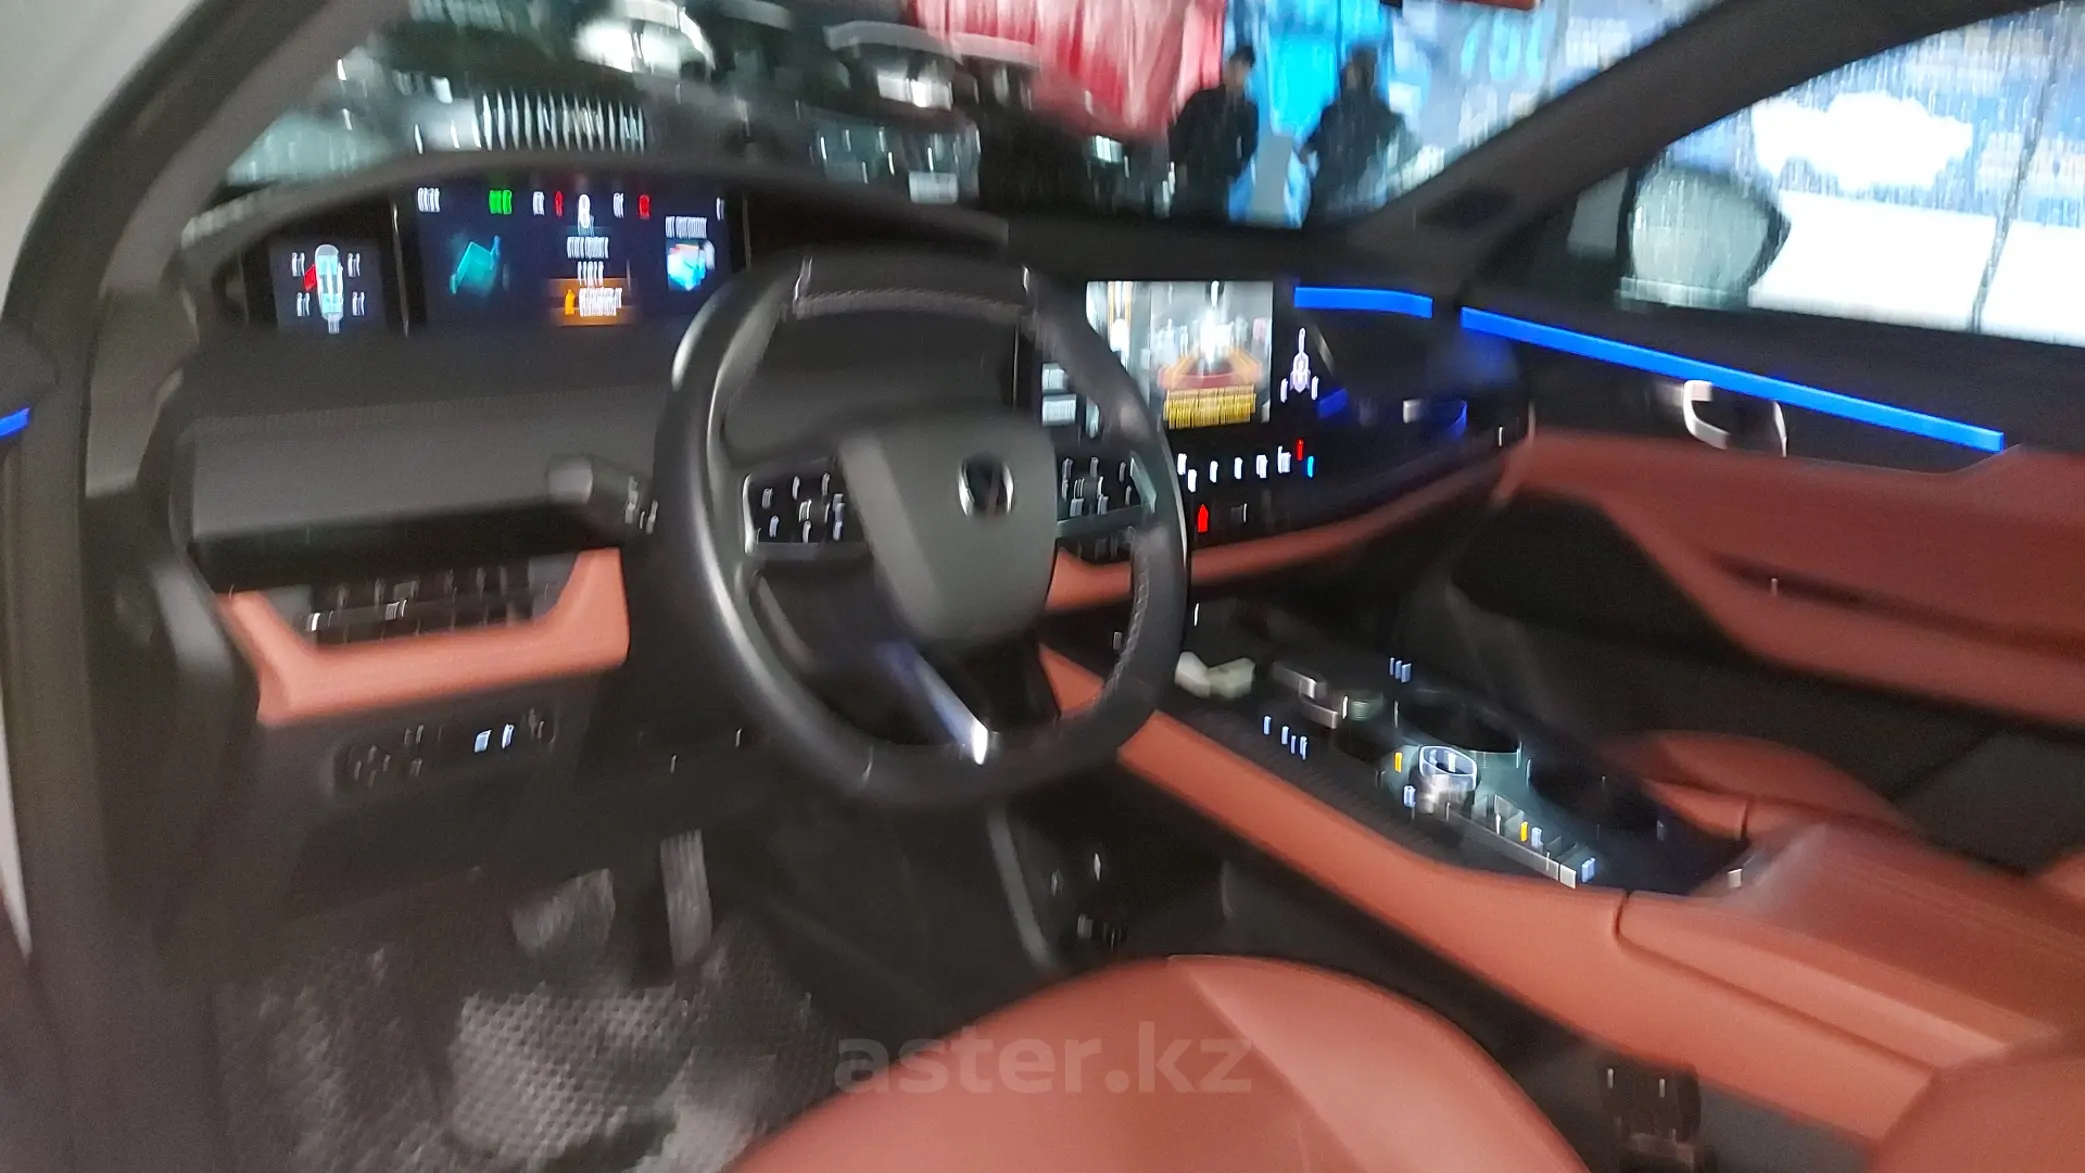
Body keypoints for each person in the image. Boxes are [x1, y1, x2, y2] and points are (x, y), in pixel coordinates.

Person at [1298, 47, 1413, 225]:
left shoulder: (1338, 112)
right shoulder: (1383, 116)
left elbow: (1305, 150)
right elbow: (1407, 151)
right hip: (1360, 207)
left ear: (1361, 72)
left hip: (1335, 206)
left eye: (1350, 66)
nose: (1344, 70)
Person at [1168, 45, 1259, 222]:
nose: (1236, 71)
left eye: (1242, 68)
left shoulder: (1248, 109)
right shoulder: (1201, 99)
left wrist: (1234, 170)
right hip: (1193, 172)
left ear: (1248, 73)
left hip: (1219, 179)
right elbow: (1179, 131)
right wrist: (1180, 165)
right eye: (1233, 65)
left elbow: (1249, 147)